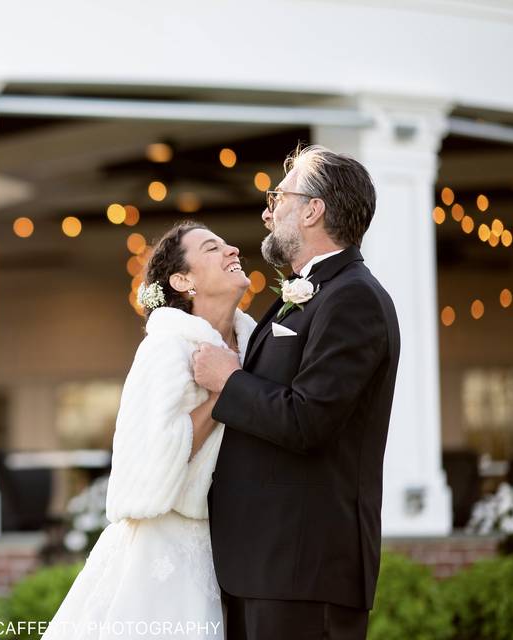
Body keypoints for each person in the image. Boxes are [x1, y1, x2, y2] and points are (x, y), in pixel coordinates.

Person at [192, 145, 401, 640]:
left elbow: (308, 422)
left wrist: (228, 379)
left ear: (313, 210)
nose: (269, 211)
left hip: (304, 569)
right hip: (265, 566)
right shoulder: (307, 292)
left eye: (279, 197)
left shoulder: (353, 298)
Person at [41, 221, 257, 639]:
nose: (232, 249)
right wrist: (222, 394)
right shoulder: (166, 347)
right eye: (213, 248)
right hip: (163, 548)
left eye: (227, 242)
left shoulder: (254, 344)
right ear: (182, 280)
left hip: (231, 548)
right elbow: (156, 458)